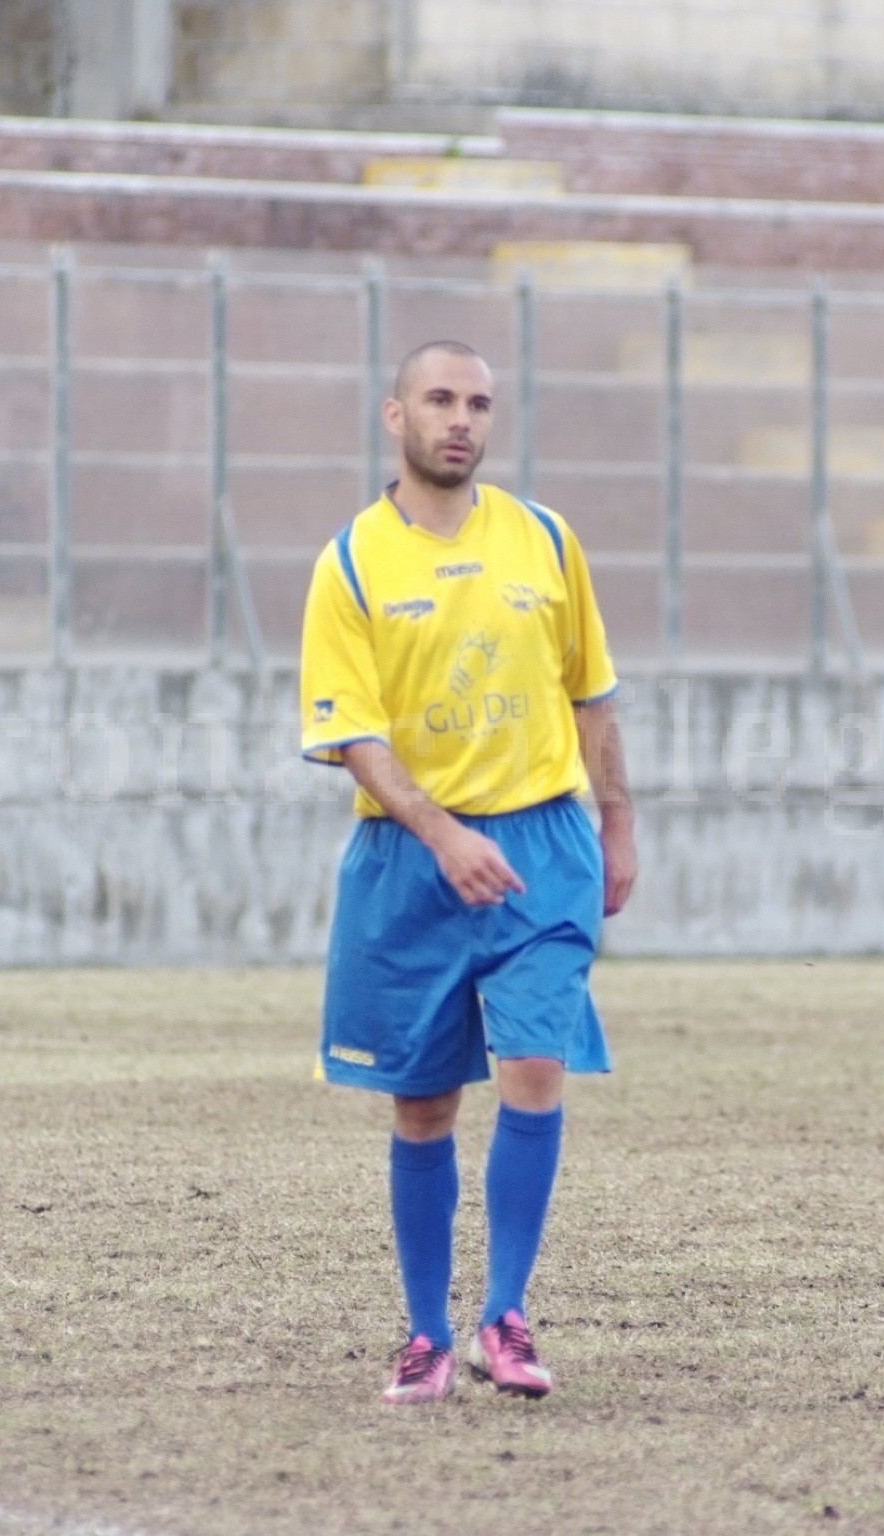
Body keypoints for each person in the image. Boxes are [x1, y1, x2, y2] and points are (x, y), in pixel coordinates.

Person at [298, 339, 637, 1405]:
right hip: (412, 861)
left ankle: (505, 1318)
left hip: (542, 846)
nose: (462, 419)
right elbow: (355, 736)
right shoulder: (350, 562)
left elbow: (594, 694)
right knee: (426, 1108)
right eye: (439, 399)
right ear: (394, 417)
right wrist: (444, 834)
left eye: (479, 403)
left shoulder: (544, 539)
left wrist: (618, 823)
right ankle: (427, 1332)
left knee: (538, 1064)